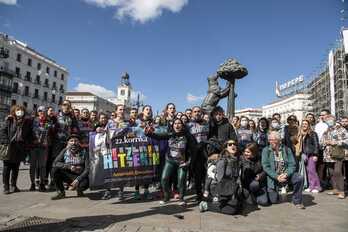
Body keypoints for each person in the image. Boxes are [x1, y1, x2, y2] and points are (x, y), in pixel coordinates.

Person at [145, 118, 197, 206]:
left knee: (181, 180)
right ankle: (167, 196)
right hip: (170, 161)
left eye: (179, 123)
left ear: (182, 125)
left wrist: (188, 162)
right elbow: (158, 136)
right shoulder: (170, 134)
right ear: (173, 126)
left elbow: (193, 150)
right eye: (175, 123)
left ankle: (181, 198)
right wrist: (148, 132)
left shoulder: (188, 135)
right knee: (164, 178)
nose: (177, 125)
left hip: (182, 162)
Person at [261, 131, 305, 209]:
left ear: (279, 140)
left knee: (299, 178)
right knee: (273, 200)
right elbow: (266, 167)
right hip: (274, 178)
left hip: (286, 176)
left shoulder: (287, 149)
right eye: (270, 139)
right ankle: (276, 191)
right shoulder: (266, 150)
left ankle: (297, 201)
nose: (272, 141)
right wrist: (277, 176)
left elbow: (292, 165)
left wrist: (286, 174)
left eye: (275, 139)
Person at [200, 139, 243, 215]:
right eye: (230, 144)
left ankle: (226, 202)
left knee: (238, 206)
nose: (233, 146)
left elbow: (236, 177)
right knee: (232, 210)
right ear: (226, 148)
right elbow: (220, 179)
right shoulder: (223, 160)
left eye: (234, 144)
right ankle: (207, 205)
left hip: (230, 187)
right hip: (219, 188)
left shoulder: (237, 160)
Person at [0, 105, 33, 194]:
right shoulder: (9, 120)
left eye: (22, 110)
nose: (20, 112)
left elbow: (29, 134)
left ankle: (13, 185)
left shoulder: (26, 122)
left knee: (16, 168)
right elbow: (3, 131)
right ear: (14, 111)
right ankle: (6, 187)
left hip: (20, 147)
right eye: (18, 110)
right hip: (10, 147)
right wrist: (6, 141)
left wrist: (27, 144)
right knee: (7, 168)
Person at [102, 104, 130, 200]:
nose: (122, 111)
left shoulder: (127, 123)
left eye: (123, 110)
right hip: (110, 149)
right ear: (116, 111)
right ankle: (107, 191)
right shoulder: (110, 122)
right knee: (109, 170)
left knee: (120, 171)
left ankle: (121, 192)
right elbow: (104, 134)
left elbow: (130, 136)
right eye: (120, 109)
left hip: (122, 149)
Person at [51, 134, 89, 200]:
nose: (73, 143)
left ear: (79, 142)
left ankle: (79, 190)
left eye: (76, 141)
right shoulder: (65, 151)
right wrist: (69, 166)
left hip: (79, 176)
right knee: (55, 170)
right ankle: (61, 192)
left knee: (84, 184)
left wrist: (78, 179)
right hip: (68, 175)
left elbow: (88, 169)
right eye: (71, 141)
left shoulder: (84, 152)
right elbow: (55, 163)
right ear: (68, 142)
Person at [321, 115, 347, 199]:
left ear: (334, 120)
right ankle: (335, 189)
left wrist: (335, 142)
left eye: (330, 119)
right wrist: (325, 142)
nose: (329, 121)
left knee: (338, 172)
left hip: (338, 154)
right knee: (331, 173)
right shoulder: (326, 130)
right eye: (327, 120)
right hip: (328, 155)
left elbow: (347, 140)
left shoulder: (341, 129)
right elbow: (321, 141)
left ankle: (342, 191)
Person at [186, 106, 210, 201]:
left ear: (202, 113)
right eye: (195, 111)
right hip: (194, 153)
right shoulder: (188, 125)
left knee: (207, 174)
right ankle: (199, 194)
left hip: (205, 152)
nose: (197, 113)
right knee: (197, 175)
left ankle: (207, 192)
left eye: (199, 111)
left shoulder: (207, 124)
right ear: (192, 113)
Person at [29, 106, 53, 192]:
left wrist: (48, 141)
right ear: (37, 112)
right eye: (40, 111)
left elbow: (52, 133)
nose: (42, 112)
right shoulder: (32, 120)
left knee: (42, 166)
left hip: (43, 147)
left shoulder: (49, 122)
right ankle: (32, 184)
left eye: (44, 111)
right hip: (33, 147)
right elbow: (26, 130)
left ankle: (42, 184)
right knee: (32, 166)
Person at [132, 105, 153, 200]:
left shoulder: (153, 122)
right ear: (143, 111)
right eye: (146, 109)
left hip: (149, 149)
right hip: (137, 149)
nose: (148, 111)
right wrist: (137, 128)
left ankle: (146, 190)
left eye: (150, 110)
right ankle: (136, 191)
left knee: (147, 170)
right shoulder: (136, 122)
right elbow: (129, 133)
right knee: (137, 170)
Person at [296, 120, 321, 193]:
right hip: (304, 155)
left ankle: (317, 186)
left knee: (312, 171)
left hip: (311, 154)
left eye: (306, 124)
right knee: (308, 171)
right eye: (303, 124)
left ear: (309, 125)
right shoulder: (300, 134)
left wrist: (316, 155)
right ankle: (311, 186)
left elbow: (316, 144)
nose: (304, 125)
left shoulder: (313, 133)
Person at [315, 109, 330, 184]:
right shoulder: (318, 125)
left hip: (330, 148)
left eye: (323, 115)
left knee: (330, 167)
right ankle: (321, 182)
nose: (322, 116)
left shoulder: (332, 124)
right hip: (320, 148)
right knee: (321, 166)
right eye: (321, 115)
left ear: (328, 115)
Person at [45, 106, 59, 190]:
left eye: (52, 110)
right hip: (45, 145)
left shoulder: (55, 120)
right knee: (45, 163)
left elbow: (56, 130)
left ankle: (52, 181)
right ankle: (44, 180)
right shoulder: (44, 119)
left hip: (53, 144)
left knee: (52, 163)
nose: (51, 112)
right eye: (50, 110)